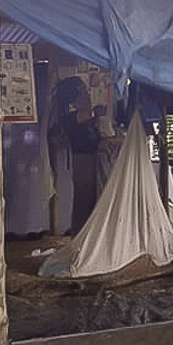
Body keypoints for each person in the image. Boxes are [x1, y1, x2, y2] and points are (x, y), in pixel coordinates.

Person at [54, 76, 97, 235]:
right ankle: (81, 236)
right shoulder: (73, 118)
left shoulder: (76, 117)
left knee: (88, 200)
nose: (87, 95)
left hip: (87, 159)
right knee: (84, 201)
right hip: (82, 160)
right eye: (83, 92)